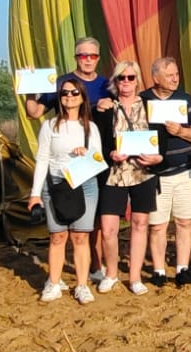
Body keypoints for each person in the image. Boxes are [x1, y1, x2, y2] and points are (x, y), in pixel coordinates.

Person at [28, 74, 103, 304]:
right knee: (58, 236)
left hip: (84, 185)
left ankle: (82, 285)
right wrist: (35, 194)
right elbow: (42, 159)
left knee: (81, 236)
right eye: (64, 93)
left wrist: (87, 153)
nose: (69, 96)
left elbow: (98, 159)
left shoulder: (90, 127)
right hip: (56, 184)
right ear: (59, 97)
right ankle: (53, 282)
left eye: (74, 92)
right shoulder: (49, 126)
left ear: (82, 97)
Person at [91, 61, 162, 295]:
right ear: (114, 81)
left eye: (131, 77)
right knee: (108, 228)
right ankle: (111, 273)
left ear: (138, 79)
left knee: (140, 224)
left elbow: (161, 140)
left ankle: (135, 277)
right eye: (121, 77)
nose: (126, 82)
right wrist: (110, 153)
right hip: (114, 174)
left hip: (143, 172)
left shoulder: (150, 106)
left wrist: (157, 157)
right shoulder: (105, 107)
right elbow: (97, 142)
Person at [141, 56, 191, 286]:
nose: (175, 79)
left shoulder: (185, 99)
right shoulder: (142, 100)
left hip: (186, 171)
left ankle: (182, 269)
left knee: (184, 222)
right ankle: (159, 270)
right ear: (155, 78)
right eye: (169, 75)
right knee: (157, 225)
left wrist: (180, 131)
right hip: (154, 174)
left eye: (177, 74)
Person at [23, 36, 114, 119]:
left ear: (98, 59)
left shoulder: (107, 85)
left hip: (98, 132)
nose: (88, 60)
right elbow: (34, 114)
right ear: (76, 58)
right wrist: (30, 90)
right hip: (67, 131)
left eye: (93, 56)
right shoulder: (61, 83)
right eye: (83, 56)